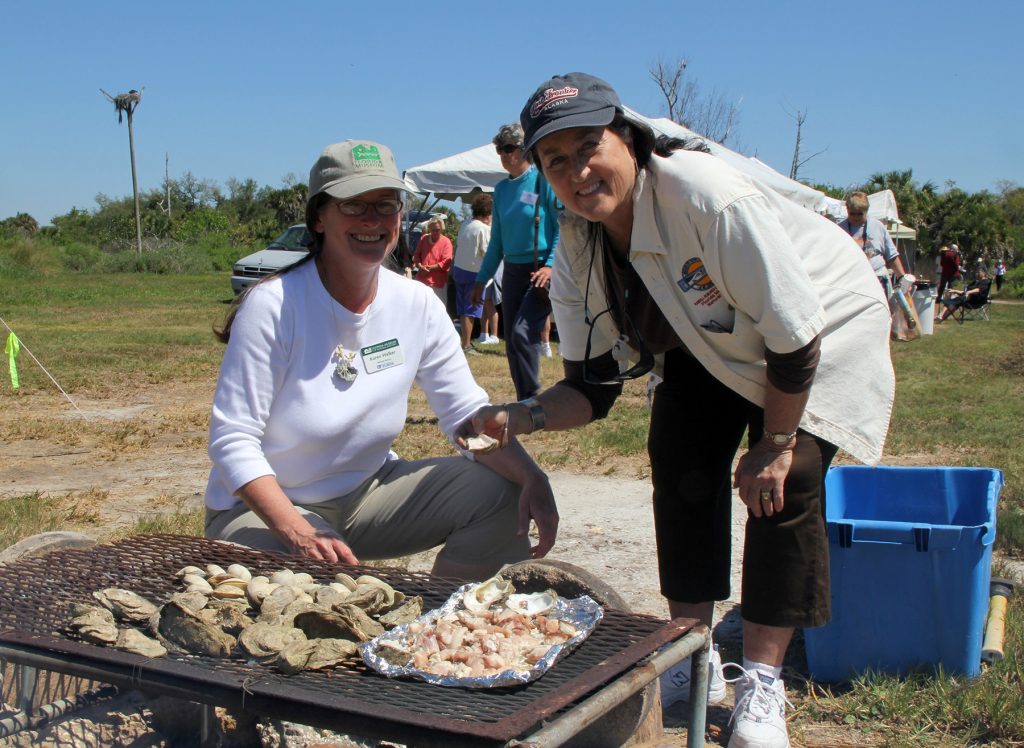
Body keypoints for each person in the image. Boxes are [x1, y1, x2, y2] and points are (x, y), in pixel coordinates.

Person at [457, 74, 894, 748]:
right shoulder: (578, 242)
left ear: (629, 141)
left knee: (788, 480)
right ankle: (693, 657)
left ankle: (761, 684)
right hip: (713, 339)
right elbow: (594, 389)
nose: (577, 171)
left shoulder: (705, 197)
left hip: (819, 329)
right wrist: (521, 416)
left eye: (588, 147)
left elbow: (795, 335)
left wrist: (777, 441)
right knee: (680, 453)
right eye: (556, 161)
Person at [204, 139, 557, 582]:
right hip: (264, 513)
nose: (372, 220)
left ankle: (440, 622)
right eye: (353, 205)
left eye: (386, 204)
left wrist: (532, 477)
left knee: (506, 493)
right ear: (319, 217)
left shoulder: (416, 302)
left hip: (369, 493)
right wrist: (299, 530)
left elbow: (466, 415)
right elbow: (233, 439)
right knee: (306, 597)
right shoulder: (274, 305)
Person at [471, 123, 561, 399]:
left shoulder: (543, 181)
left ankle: (534, 397)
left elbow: (561, 228)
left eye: (510, 148)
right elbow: (497, 241)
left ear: (525, 150)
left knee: (523, 332)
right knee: (512, 340)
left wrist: (550, 265)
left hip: (540, 270)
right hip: (511, 271)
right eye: (500, 149)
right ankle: (526, 400)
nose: (504, 154)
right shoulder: (500, 191)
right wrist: (481, 279)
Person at [838, 192, 906, 297]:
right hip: (852, 282)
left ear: (867, 211)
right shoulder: (839, 229)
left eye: (860, 214)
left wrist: (902, 278)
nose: (856, 217)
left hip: (878, 279)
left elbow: (892, 256)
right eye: (852, 214)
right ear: (847, 210)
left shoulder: (878, 226)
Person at [453, 195, 492, 354]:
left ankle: (464, 341)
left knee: (463, 309)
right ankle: (466, 345)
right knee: (470, 309)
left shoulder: (465, 224)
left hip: (459, 269)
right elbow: (488, 252)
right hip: (474, 272)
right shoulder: (484, 229)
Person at [412, 217, 453, 306]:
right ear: (429, 229)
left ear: (441, 229)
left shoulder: (446, 242)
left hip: (438, 282)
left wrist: (429, 268)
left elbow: (446, 262)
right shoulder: (423, 238)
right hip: (421, 280)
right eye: (433, 230)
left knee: (438, 309)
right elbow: (416, 255)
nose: (435, 232)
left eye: (437, 230)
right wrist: (419, 266)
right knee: (419, 307)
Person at [477, 262, 503, 345]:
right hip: (484, 273)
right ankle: (484, 334)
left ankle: (494, 336)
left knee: (488, 303)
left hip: (491, 275)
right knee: (482, 303)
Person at [937, 244, 962, 312]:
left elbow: (942, 264)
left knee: (941, 287)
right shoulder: (954, 255)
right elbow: (956, 265)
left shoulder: (943, 254)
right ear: (955, 249)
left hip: (945, 273)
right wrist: (958, 270)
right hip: (952, 274)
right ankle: (947, 301)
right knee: (950, 288)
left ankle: (938, 299)